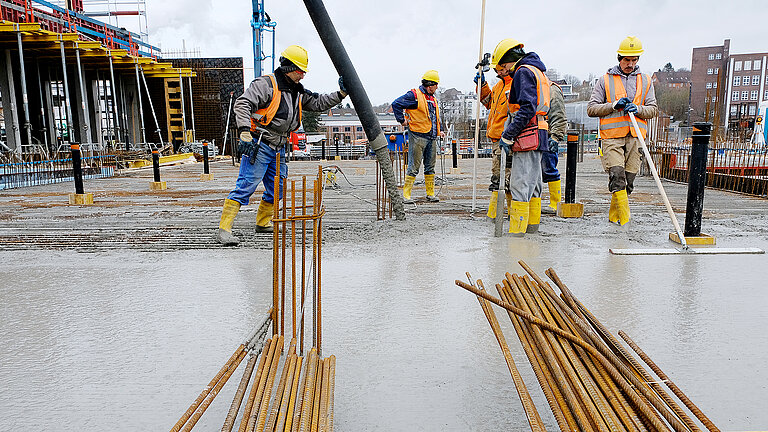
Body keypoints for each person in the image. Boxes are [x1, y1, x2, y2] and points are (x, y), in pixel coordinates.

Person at [217, 45, 348, 245]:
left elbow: (318, 102)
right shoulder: (265, 85)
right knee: (246, 186)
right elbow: (242, 104)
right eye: (300, 71)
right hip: (259, 144)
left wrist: (341, 94)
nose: (303, 75)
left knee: (277, 188)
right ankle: (224, 230)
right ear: (289, 68)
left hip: (279, 147)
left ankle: (263, 222)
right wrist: (244, 130)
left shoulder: (297, 91)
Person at [587, 36, 658, 225]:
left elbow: (653, 109)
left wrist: (639, 109)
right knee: (617, 176)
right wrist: (613, 105)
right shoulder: (605, 80)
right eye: (627, 60)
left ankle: (614, 217)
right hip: (612, 138)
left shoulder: (646, 81)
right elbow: (591, 108)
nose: (630, 64)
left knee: (628, 182)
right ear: (619, 58)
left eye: (634, 60)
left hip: (636, 137)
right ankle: (625, 221)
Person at [494, 38, 551, 236]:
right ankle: (531, 231)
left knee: (519, 184)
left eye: (503, 66)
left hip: (528, 133)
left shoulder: (523, 71)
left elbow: (527, 108)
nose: (504, 71)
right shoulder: (537, 70)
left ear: (509, 60)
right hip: (540, 132)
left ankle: (517, 238)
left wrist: (509, 134)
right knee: (534, 185)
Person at [391, 70, 445, 204]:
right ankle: (406, 195)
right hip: (418, 136)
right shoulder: (414, 95)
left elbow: (435, 117)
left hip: (432, 137)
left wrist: (440, 131)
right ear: (430, 85)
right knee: (413, 166)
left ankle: (430, 194)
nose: (437, 87)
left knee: (430, 166)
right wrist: (402, 120)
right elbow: (396, 104)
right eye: (436, 85)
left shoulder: (432, 98)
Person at [474, 57, 513, 219]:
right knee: (499, 176)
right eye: (496, 69)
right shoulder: (499, 86)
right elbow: (488, 101)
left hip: (507, 139)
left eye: (500, 69)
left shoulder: (514, 86)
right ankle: (501, 213)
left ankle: (502, 214)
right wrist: (482, 85)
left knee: (505, 178)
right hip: (497, 138)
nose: (498, 72)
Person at [542, 80, 567, 213]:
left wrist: (555, 137)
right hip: (530, 134)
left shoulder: (551, 89)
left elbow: (558, 115)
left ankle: (555, 203)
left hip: (546, 134)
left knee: (548, 168)